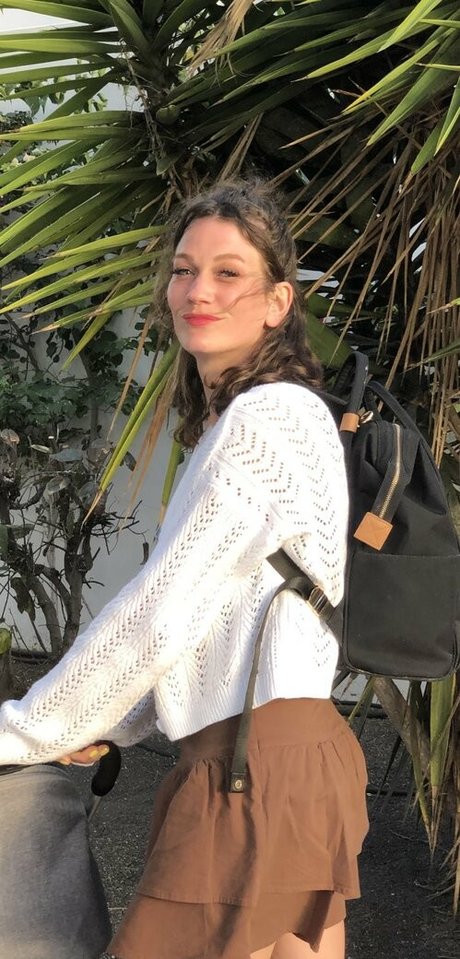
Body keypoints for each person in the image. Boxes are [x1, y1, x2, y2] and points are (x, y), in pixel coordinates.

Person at [0, 178, 368, 959]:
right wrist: (103, 725)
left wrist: (22, 730)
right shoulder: (259, 417)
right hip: (278, 758)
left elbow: (158, 616)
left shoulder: (265, 420)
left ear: (277, 302)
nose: (198, 290)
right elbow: (204, 625)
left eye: (228, 273)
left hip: (252, 766)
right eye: (183, 269)